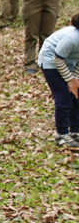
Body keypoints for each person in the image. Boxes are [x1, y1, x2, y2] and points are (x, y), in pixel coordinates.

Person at [38, 13, 79, 150]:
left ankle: (75, 131)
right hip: (51, 61)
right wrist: (70, 80)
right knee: (64, 98)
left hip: (69, 62)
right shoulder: (72, 38)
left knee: (76, 95)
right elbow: (57, 59)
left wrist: (76, 79)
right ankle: (61, 134)